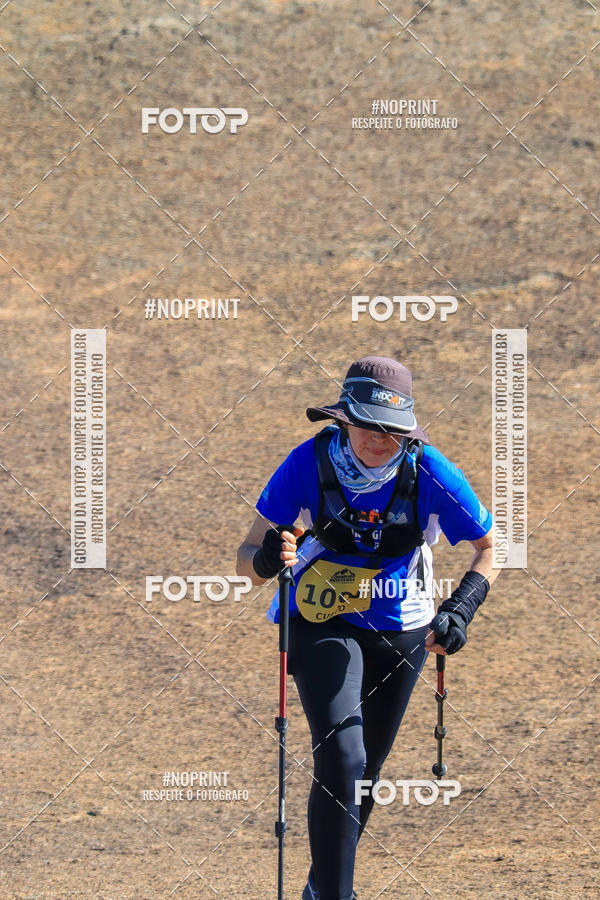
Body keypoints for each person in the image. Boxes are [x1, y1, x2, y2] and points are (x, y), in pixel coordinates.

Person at [237, 356, 498, 900]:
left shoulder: (430, 471)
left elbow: (490, 549)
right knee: (343, 755)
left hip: (402, 627)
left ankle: (321, 887)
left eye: (392, 430)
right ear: (344, 418)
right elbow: (246, 559)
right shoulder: (308, 462)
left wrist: (462, 608)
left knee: (365, 770)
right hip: (320, 618)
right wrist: (265, 558)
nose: (379, 440)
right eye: (368, 425)